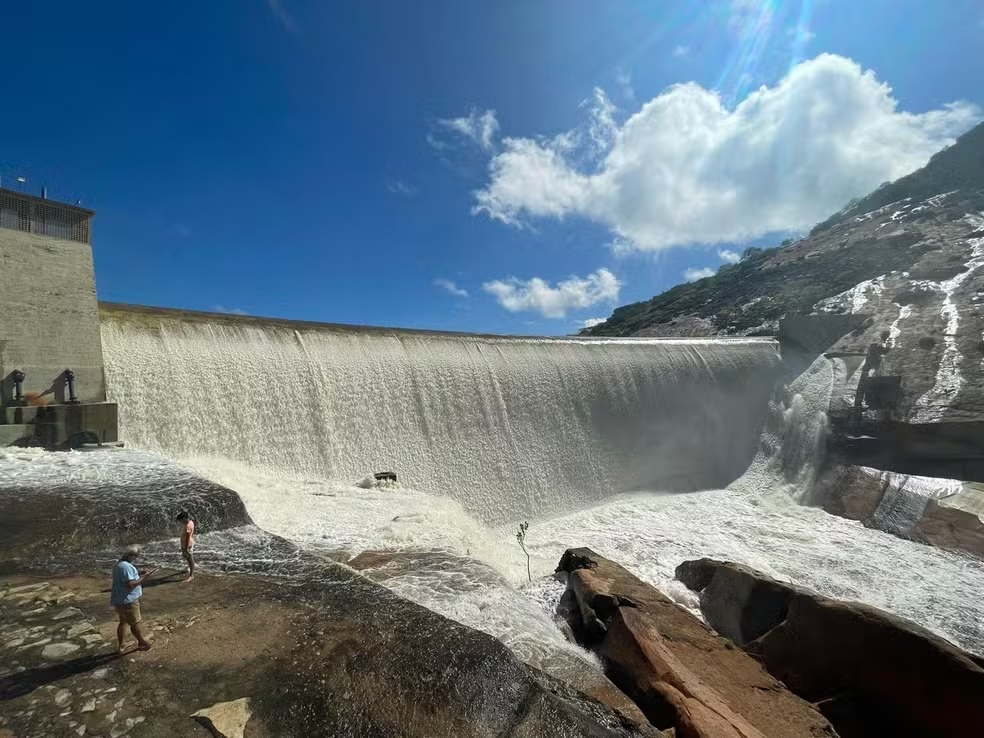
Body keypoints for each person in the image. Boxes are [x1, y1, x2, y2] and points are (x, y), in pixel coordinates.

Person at [111, 546, 156, 653]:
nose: (136, 558)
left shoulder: (119, 564)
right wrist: (145, 577)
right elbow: (131, 584)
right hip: (128, 601)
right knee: (134, 623)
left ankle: (121, 644)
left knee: (122, 622)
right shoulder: (126, 567)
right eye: (136, 556)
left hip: (119, 600)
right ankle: (142, 642)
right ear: (131, 555)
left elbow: (127, 576)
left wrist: (139, 572)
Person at [176, 511, 196, 582]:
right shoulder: (191, 522)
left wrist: (186, 548)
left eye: (181, 520)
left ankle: (191, 575)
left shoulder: (188, 526)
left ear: (184, 518)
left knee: (190, 559)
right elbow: (192, 534)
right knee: (187, 557)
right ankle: (189, 569)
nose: (181, 522)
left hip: (187, 544)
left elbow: (187, 537)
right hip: (188, 543)